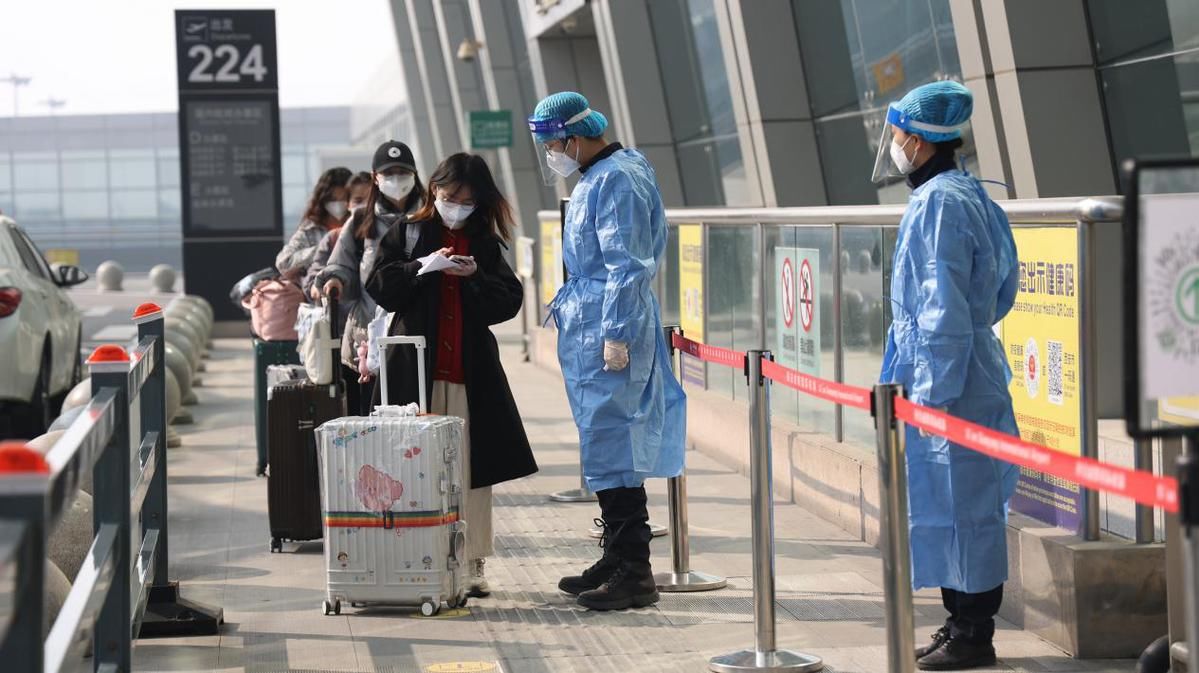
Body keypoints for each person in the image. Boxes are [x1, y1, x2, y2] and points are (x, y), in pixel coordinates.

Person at [875, 80, 1020, 671]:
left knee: (967, 509)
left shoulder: (939, 202)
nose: (896, 144)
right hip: (960, 369)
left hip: (949, 376)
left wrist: (929, 392)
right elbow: (1000, 290)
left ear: (921, 138)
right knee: (953, 505)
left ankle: (973, 633)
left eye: (901, 133)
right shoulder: (965, 193)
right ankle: (958, 623)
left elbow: (943, 308)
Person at [528, 91, 686, 611]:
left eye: (554, 144)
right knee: (604, 443)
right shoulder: (605, 173)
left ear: (574, 137)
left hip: (608, 330)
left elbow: (626, 264)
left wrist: (615, 332)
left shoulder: (616, 177)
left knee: (614, 443)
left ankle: (634, 570)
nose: (553, 154)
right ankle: (618, 556)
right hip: (593, 325)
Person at [364, 152, 538, 598]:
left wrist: (474, 278)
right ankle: (412, 555)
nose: (455, 205)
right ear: (434, 190)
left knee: (469, 470)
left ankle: (473, 560)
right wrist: (422, 268)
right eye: (448, 195)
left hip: (467, 372)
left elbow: (507, 301)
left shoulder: (484, 240)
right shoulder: (407, 233)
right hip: (414, 374)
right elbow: (379, 287)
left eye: (466, 199)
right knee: (409, 467)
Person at [317, 143, 425, 413]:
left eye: (403, 172)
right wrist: (335, 281)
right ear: (375, 177)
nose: (396, 179)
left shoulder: (428, 216)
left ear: (414, 176)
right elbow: (341, 263)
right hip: (367, 337)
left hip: (416, 334)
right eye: (389, 173)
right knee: (366, 418)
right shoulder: (360, 219)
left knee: (414, 416)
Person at [276, 167, 352, 277]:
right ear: (322, 199)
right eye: (332, 199)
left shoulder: (361, 226)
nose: (338, 204)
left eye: (343, 199)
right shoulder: (310, 230)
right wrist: (323, 249)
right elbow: (284, 263)